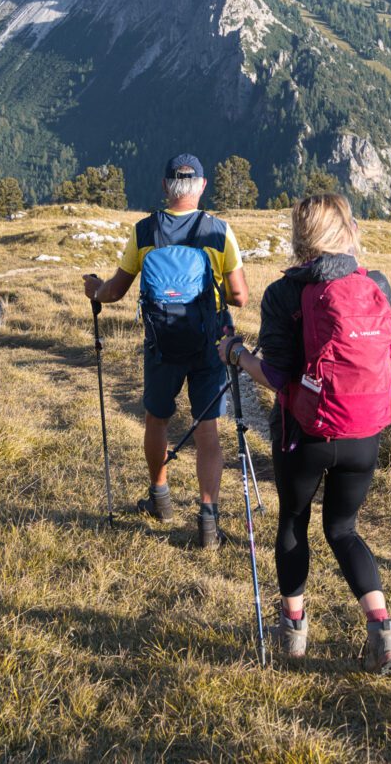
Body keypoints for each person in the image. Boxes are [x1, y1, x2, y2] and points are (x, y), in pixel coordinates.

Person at [218, 193, 391, 676]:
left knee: (294, 522)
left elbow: (277, 376)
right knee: (344, 529)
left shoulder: (285, 293)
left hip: (304, 433)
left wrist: (237, 356)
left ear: (301, 236)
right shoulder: (375, 283)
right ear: (347, 231)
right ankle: (384, 633)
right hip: (364, 430)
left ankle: (294, 635)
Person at [83, 153, 248, 549]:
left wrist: (95, 291)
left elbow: (116, 291)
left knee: (156, 419)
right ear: (203, 187)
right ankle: (208, 523)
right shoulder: (219, 231)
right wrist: (209, 296)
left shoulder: (144, 232)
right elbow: (240, 297)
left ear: (164, 187)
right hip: (208, 344)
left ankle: (161, 497)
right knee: (207, 431)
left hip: (160, 345)